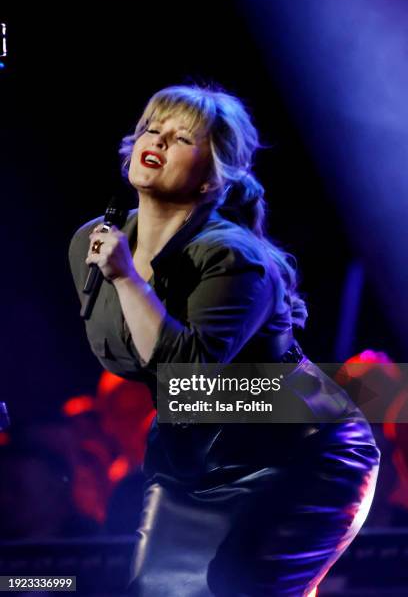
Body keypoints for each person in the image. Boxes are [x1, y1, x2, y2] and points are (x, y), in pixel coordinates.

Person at [69, 85, 380, 596]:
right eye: (152, 128)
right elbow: (125, 360)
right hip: (192, 452)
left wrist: (128, 280)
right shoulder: (93, 242)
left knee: (241, 586)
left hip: (299, 454)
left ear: (214, 177)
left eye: (182, 137)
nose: (159, 141)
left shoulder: (233, 258)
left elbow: (185, 376)